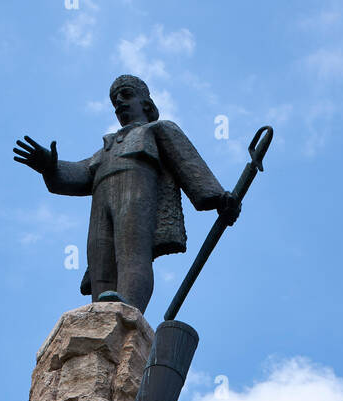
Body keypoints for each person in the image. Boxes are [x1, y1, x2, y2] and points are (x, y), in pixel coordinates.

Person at [14, 75, 241, 313]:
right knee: (100, 259)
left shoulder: (158, 130)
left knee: (131, 252)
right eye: (115, 100)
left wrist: (218, 198)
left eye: (126, 94)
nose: (119, 102)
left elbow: (189, 164)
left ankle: (128, 308)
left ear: (146, 102)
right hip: (102, 199)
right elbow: (78, 174)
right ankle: (101, 313)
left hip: (138, 191)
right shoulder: (106, 148)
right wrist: (50, 166)